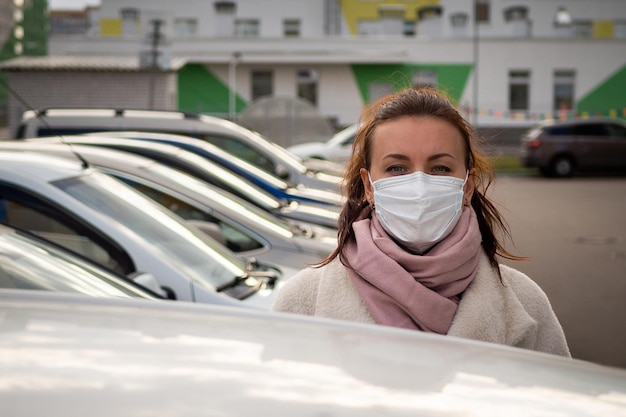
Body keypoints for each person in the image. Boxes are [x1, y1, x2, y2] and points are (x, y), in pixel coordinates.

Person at [272, 87, 570, 357]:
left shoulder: (526, 303)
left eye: (439, 167)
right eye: (397, 167)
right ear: (369, 186)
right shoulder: (302, 301)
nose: (418, 184)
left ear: (467, 186)